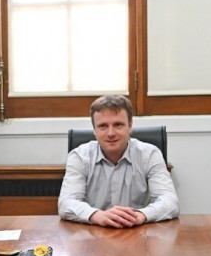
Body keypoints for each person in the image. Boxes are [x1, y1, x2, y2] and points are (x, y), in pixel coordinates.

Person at [58, 95, 179, 228]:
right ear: (94, 130)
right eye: (103, 126)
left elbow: (170, 201)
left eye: (118, 125)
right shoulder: (79, 157)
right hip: (94, 234)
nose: (111, 133)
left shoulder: (150, 154)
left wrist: (140, 215)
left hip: (139, 233)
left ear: (130, 125)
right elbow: (66, 202)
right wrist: (97, 215)